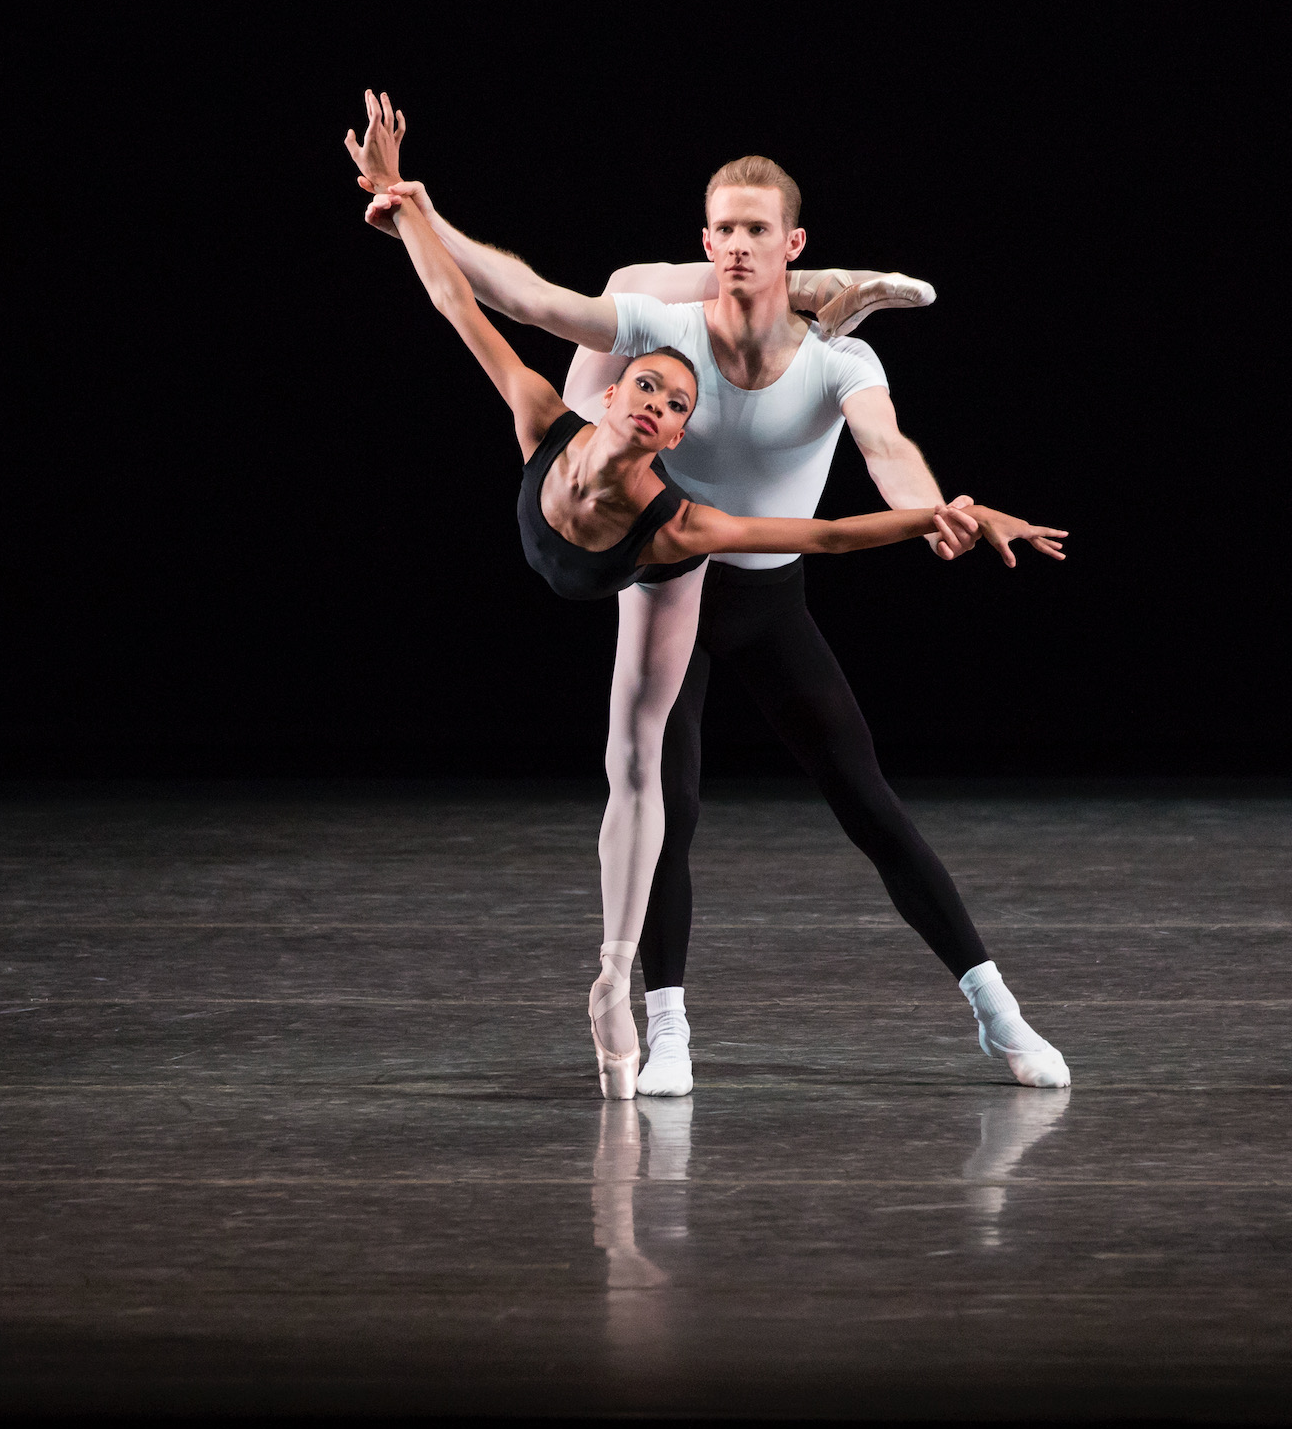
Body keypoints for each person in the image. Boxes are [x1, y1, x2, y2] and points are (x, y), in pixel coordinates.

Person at [349, 94, 1073, 1096]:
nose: (737, 244)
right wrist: (404, 200)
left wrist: (938, 507)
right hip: (667, 578)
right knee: (664, 803)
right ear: (709, 241)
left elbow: (885, 456)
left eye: (757, 232)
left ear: (791, 240)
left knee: (868, 802)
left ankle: (999, 1013)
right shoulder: (661, 339)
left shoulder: (840, 361)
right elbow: (516, 299)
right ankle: (668, 1024)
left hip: (764, 591)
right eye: (725, 230)